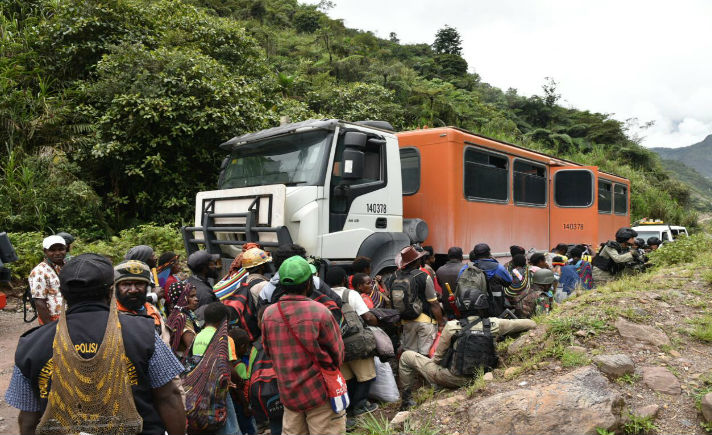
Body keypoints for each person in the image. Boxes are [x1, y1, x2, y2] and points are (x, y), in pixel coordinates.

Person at [5, 253, 186, 435]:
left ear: (63, 294)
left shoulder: (30, 343)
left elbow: (28, 417)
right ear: (110, 291)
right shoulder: (145, 332)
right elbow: (169, 396)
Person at [398, 289, 537, 410]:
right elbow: (530, 323)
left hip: (453, 378)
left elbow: (438, 358)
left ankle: (406, 401)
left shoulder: (452, 326)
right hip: (482, 376)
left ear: (459, 306)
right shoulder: (494, 324)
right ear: (482, 306)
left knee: (406, 357)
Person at [261, 256, 346, 435]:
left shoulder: (268, 314)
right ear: (309, 284)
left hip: (289, 394)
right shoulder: (321, 312)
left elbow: (268, 352)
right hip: (319, 393)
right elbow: (337, 354)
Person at [324, 267, 379, 422]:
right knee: (366, 375)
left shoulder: (323, 296)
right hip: (356, 343)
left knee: (347, 378)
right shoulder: (351, 294)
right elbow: (367, 316)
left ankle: (347, 410)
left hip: (336, 344)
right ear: (344, 279)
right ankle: (360, 405)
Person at [191, 302, 241, 435]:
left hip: (202, 390)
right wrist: (241, 381)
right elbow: (229, 367)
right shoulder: (224, 338)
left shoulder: (197, 337)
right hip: (220, 390)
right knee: (230, 428)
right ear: (224, 322)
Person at [386, 246, 445, 355]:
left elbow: (392, 300)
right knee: (424, 357)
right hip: (426, 321)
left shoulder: (393, 277)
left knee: (410, 356)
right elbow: (434, 303)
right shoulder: (423, 276)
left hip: (406, 322)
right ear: (416, 260)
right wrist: (441, 323)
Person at [114, 260, 171, 345]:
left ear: (146, 286)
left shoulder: (153, 311)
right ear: (116, 287)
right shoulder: (111, 316)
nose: (133, 290)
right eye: (126, 284)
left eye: (139, 284)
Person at [28, 235, 67, 325]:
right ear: (45, 251)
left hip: (69, 315)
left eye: (61, 249)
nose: (57, 253)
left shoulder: (67, 266)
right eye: (52, 250)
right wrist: (49, 327)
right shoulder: (39, 271)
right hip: (53, 318)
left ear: (66, 249)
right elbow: (39, 302)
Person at [230, 328, 257, 435]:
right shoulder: (239, 365)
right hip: (242, 404)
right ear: (242, 347)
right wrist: (246, 406)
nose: (246, 350)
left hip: (234, 403)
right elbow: (242, 387)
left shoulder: (230, 362)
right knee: (249, 429)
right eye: (246, 346)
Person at [166, 281, 201, 357]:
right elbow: (193, 346)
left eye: (195, 296)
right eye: (191, 296)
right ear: (182, 298)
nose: (196, 299)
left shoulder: (187, 313)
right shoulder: (182, 318)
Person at [436, 246, 464, 319]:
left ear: (448, 257)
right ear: (461, 256)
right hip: (463, 306)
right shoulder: (466, 269)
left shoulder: (440, 270)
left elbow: (441, 285)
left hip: (447, 306)